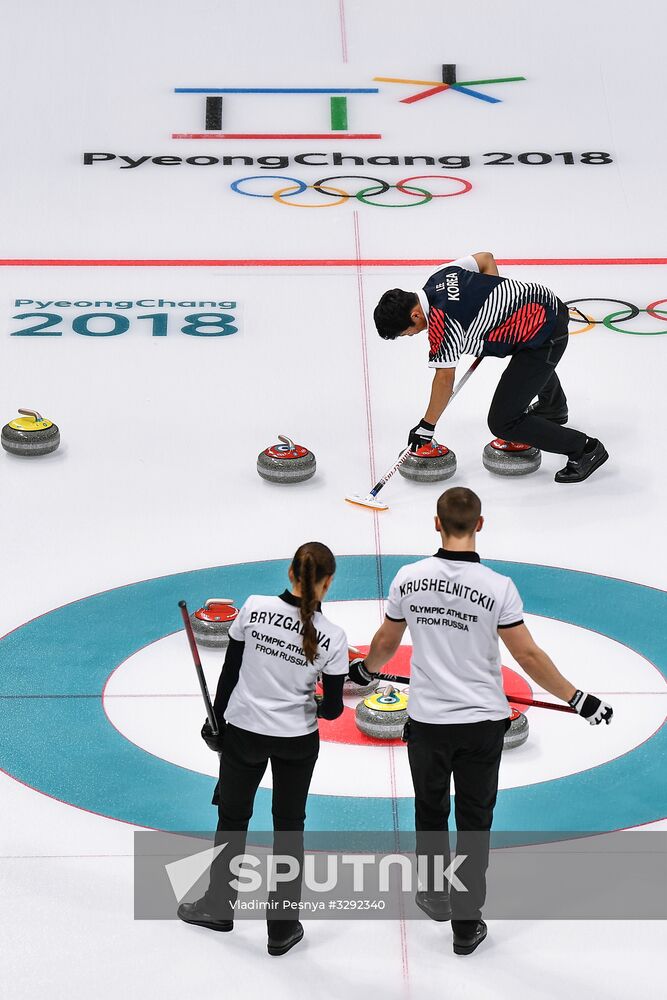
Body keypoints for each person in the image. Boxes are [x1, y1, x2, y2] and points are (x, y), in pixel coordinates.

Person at [349, 487, 613, 955]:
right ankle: (466, 926)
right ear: (480, 524)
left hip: (428, 725)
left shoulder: (409, 579)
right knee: (474, 822)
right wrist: (578, 698)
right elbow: (527, 655)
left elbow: (387, 642)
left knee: (430, 811)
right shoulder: (498, 588)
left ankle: (432, 893)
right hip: (480, 726)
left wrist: (367, 670)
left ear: (436, 523)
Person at [178, 541, 348, 956]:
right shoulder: (334, 638)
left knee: (232, 819)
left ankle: (219, 906)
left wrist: (215, 721)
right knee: (290, 827)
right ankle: (282, 928)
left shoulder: (253, 609)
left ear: (290, 573)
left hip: (244, 735)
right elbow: (332, 711)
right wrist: (324, 692)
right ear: (328, 583)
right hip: (296, 741)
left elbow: (230, 672)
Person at [373, 251, 608, 484]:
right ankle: (553, 408)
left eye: (406, 332)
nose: (412, 335)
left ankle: (585, 449)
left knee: (503, 421)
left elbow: (444, 379)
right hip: (544, 304)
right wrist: (497, 306)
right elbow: (485, 259)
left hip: (545, 334)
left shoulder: (443, 325)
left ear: (415, 315)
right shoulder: (441, 275)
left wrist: (427, 425)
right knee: (524, 367)